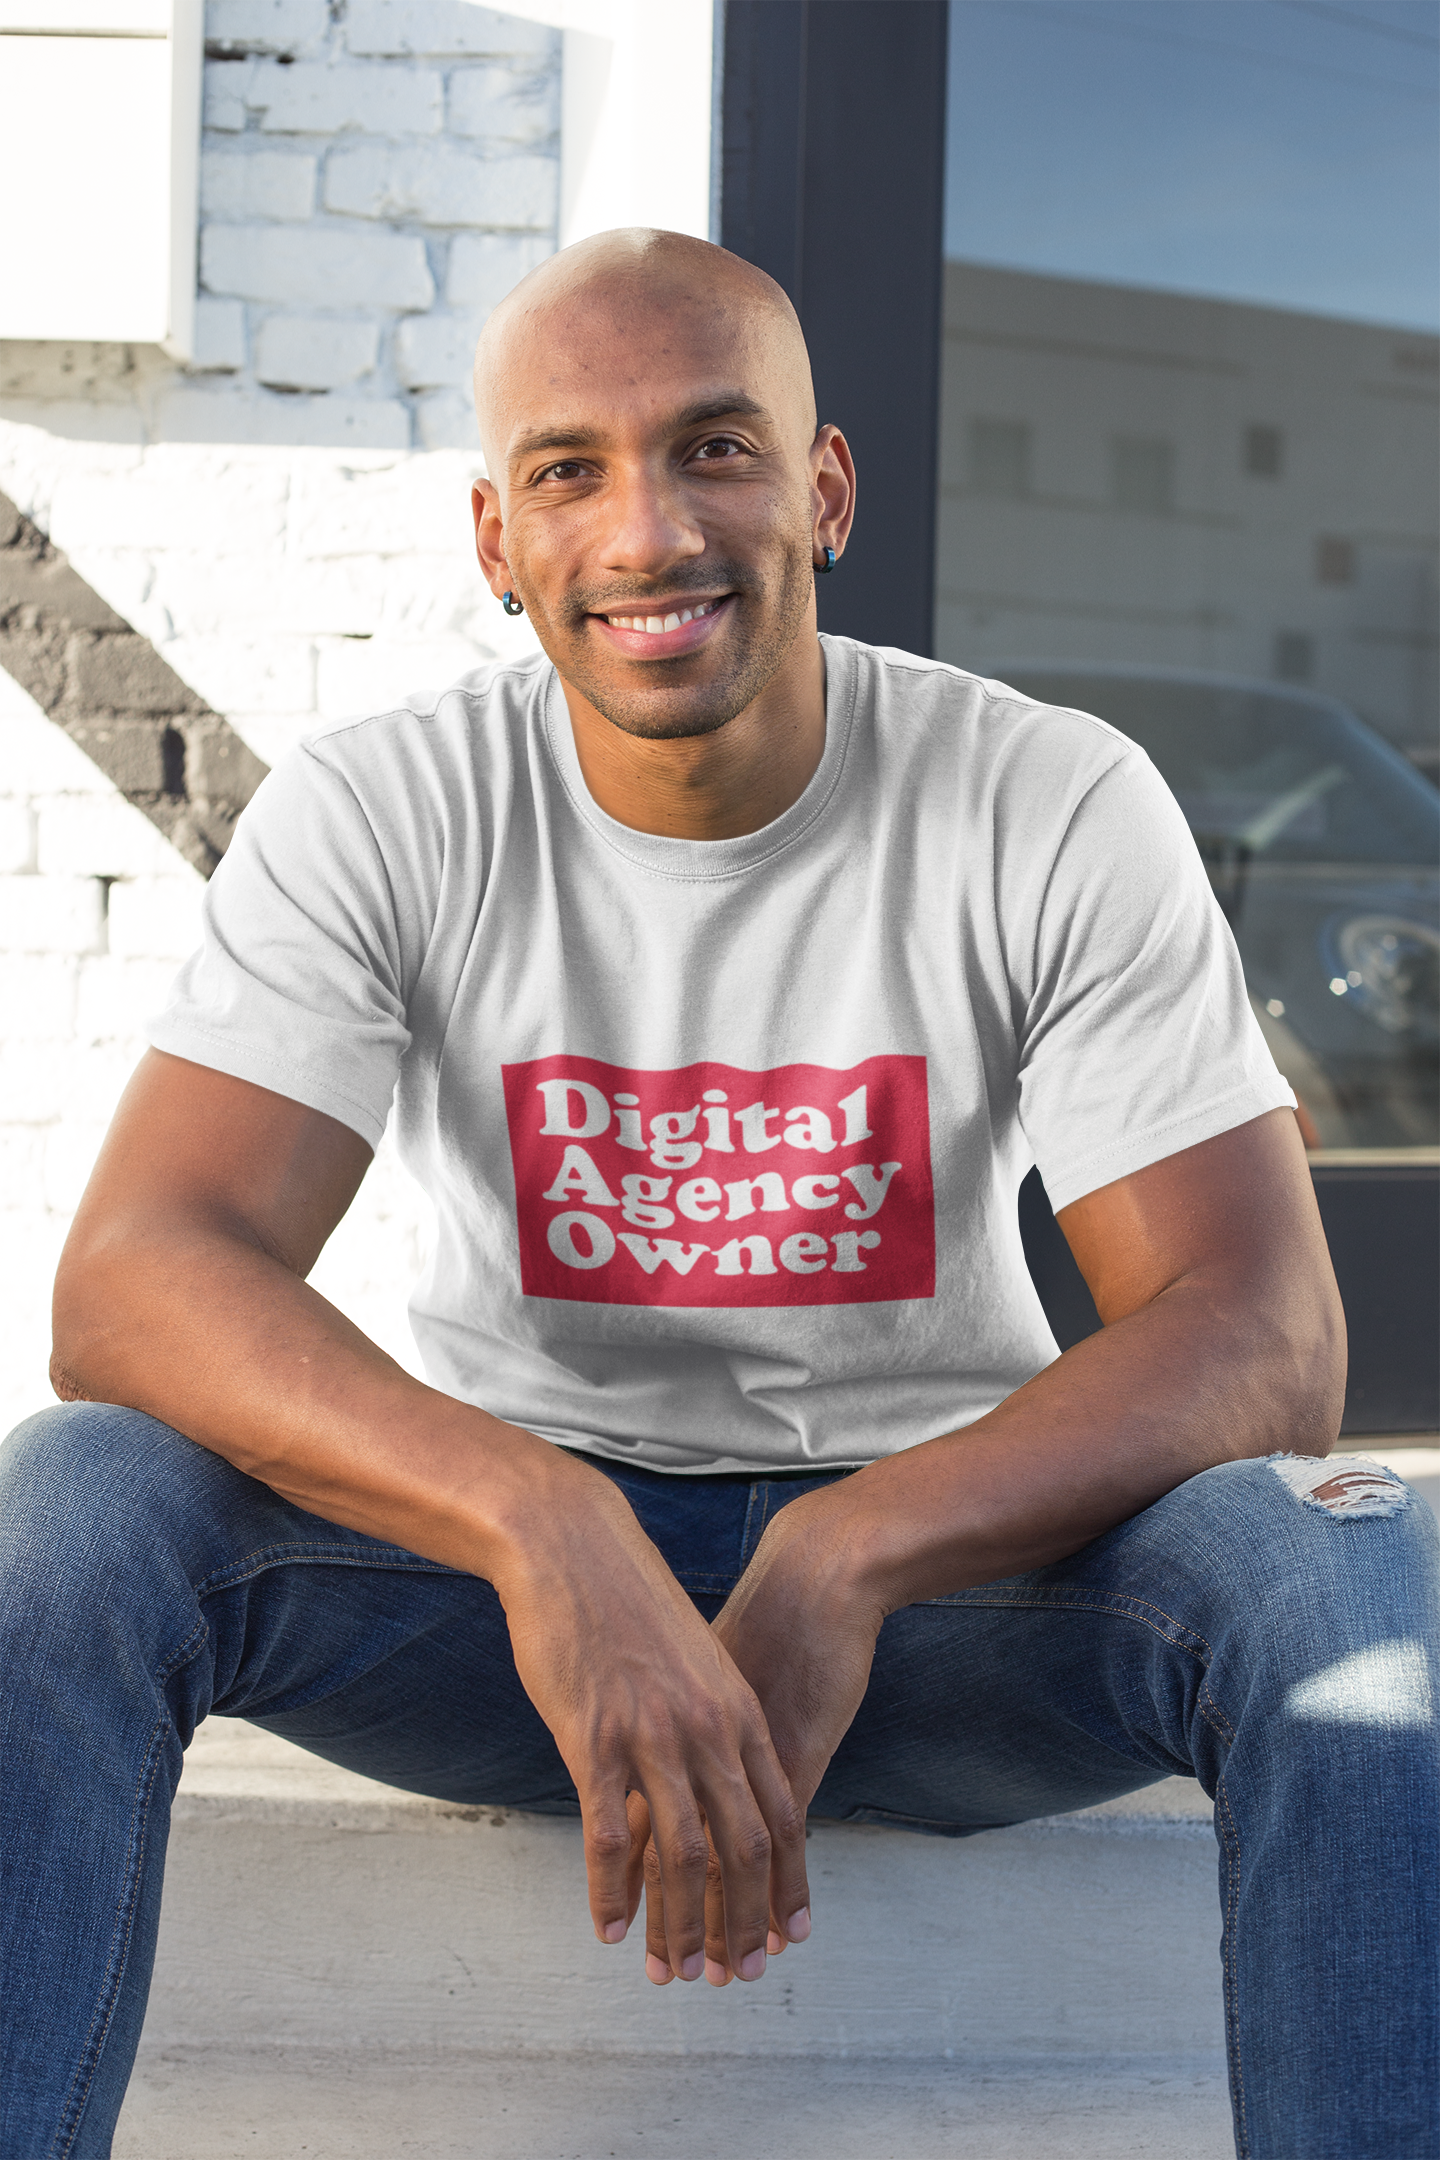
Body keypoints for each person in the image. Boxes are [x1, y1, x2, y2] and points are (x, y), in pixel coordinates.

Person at [0, 229, 1434, 2160]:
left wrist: (851, 1551)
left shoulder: (1044, 799)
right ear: (494, 538)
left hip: (945, 1602)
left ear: (823, 489)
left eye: (717, 448)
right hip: (511, 1623)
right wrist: (541, 1518)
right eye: (572, 472)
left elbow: (1263, 1337)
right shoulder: (390, 810)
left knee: (1354, 1574)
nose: (650, 530)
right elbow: (138, 1279)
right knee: (77, 1506)